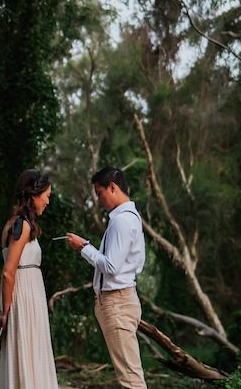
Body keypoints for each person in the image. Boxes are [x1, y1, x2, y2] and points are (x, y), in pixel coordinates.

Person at [66, 166, 147, 389]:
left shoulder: (122, 221)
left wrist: (83, 247)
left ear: (113, 187)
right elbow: (137, 263)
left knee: (131, 379)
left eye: (99, 193)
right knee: (129, 373)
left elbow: (110, 266)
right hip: (120, 299)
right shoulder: (130, 218)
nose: (99, 199)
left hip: (117, 302)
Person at [0, 169, 59, 389]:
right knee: (27, 349)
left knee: (30, 351)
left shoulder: (17, 224)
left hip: (28, 296)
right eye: (46, 196)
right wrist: (4, 309)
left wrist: (1, 305)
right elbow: (8, 271)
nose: (48, 202)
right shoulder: (21, 226)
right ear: (34, 195)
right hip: (24, 300)